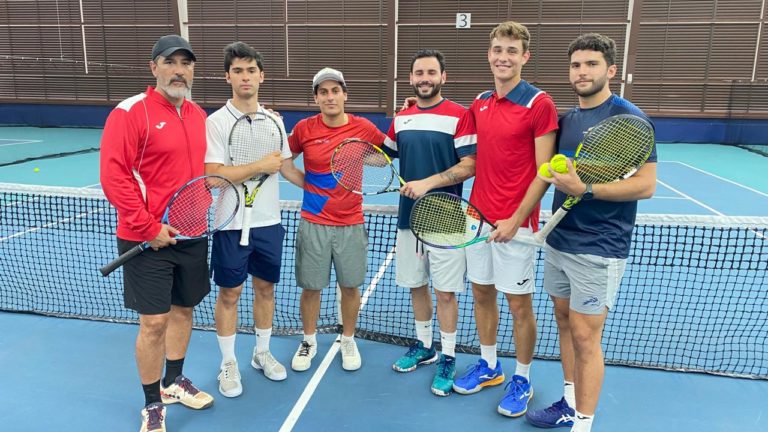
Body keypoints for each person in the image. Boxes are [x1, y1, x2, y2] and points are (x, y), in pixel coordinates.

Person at [525, 33, 657, 432]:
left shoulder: (631, 120)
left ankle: (583, 423)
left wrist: (588, 190)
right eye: (576, 65)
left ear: (611, 70)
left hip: (599, 247)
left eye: (591, 64)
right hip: (560, 241)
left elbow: (646, 186)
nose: (582, 72)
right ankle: (568, 402)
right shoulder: (567, 120)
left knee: (585, 336)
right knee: (563, 322)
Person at [99, 34, 214, 432]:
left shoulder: (199, 114)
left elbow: (204, 171)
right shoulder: (130, 112)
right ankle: (152, 403)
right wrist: (148, 228)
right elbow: (114, 176)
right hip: (146, 239)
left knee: (185, 310)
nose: (179, 70)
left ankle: (173, 380)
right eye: (170, 62)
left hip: (193, 234)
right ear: (154, 68)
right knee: (153, 323)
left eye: (186, 63)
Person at [451, 21, 559, 419]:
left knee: (518, 305)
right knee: (481, 294)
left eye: (512, 51)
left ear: (525, 57)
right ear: (489, 54)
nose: (503, 57)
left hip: (516, 226)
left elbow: (544, 170)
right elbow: (477, 160)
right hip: (476, 219)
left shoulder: (539, 104)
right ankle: (490, 365)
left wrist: (516, 218)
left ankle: (523, 377)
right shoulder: (479, 103)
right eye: (498, 50)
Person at [204, 42, 304, 398]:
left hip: (268, 223)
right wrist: (259, 167)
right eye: (238, 71)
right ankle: (228, 362)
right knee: (230, 293)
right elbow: (214, 176)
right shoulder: (215, 122)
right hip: (230, 223)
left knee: (266, 289)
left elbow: (287, 166)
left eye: (250, 70)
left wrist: (317, 189)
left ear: (261, 76)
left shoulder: (274, 120)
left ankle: (262, 353)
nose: (245, 77)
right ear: (227, 76)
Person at [383, 49, 477, 396]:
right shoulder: (402, 118)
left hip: (446, 218)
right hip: (409, 219)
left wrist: (428, 183)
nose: (425, 78)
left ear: (443, 77)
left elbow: (470, 165)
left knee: (445, 293)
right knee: (415, 284)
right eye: (419, 73)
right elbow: (382, 156)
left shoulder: (460, 116)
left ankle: (448, 356)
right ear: (410, 78)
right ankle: (425, 346)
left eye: (431, 72)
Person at [287, 67, 387, 372]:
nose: (330, 97)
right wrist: (311, 187)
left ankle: (347, 338)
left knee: (350, 287)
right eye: (323, 92)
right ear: (317, 97)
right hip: (314, 222)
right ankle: (309, 340)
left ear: (345, 94)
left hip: (351, 223)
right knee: (311, 288)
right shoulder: (304, 128)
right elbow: (283, 162)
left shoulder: (364, 127)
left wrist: (360, 155)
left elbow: (384, 157)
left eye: (335, 91)